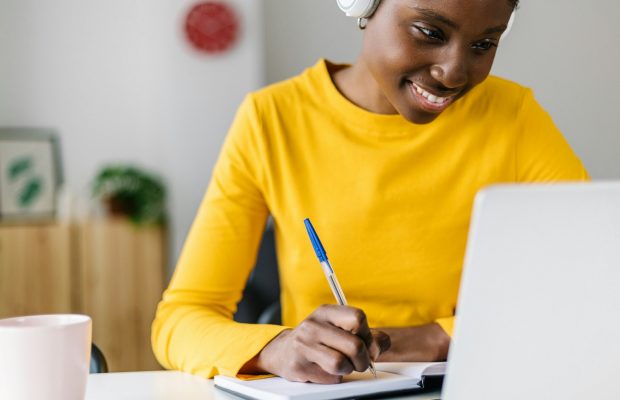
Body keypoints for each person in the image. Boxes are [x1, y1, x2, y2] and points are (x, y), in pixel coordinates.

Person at [151, 0, 588, 384]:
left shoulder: (514, 119)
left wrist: (439, 337)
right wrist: (277, 348)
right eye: (430, 32)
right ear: (362, 5)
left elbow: (597, 284)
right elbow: (180, 321)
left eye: (483, 44)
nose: (454, 72)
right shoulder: (271, 121)